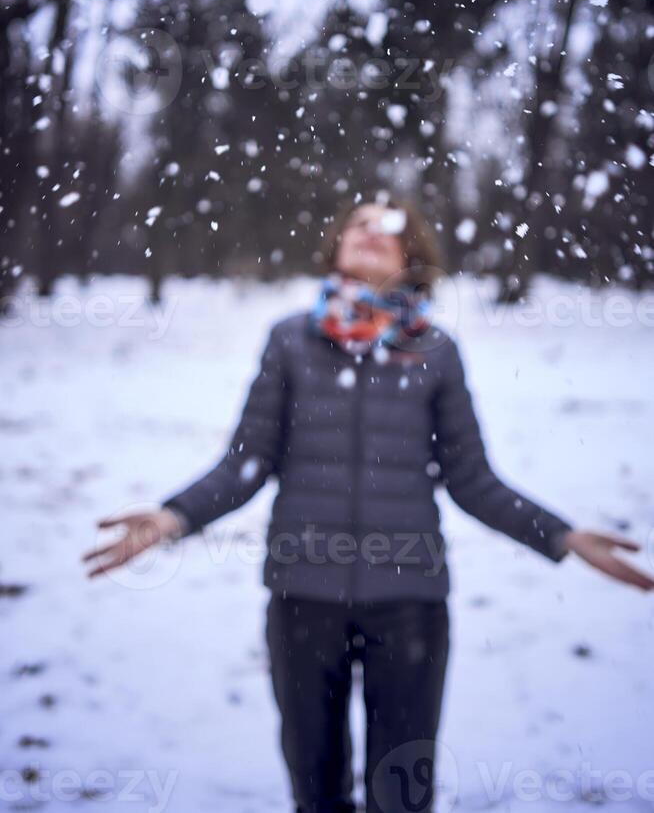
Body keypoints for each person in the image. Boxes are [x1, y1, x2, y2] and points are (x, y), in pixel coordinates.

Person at [82, 189, 654, 813]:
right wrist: (173, 516)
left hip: (410, 603)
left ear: (412, 253)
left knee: (401, 795)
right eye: (359, 223)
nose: (371, 231)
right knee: (315, 789)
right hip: (303, 600)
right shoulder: (290, 342)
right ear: (338, 244)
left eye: (390, 226)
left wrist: (561, 535)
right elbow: (246, 464)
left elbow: (471, 480)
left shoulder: (435, 351)